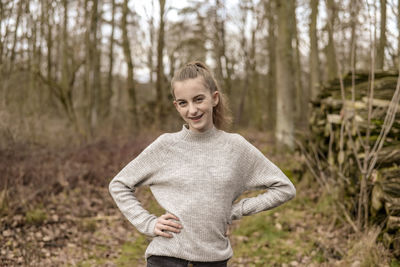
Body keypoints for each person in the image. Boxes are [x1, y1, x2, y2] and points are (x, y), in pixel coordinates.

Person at [108, 61, 296, 267]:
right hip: (166, 256)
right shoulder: (165, 146)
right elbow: (119, 184)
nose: (192, 110)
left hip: (213, 259)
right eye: (183, 103)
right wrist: (148, 223)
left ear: (214, 98)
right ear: (176, 105)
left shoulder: (236, 147)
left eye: (198, 100)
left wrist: (234, 211)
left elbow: (284, 188)